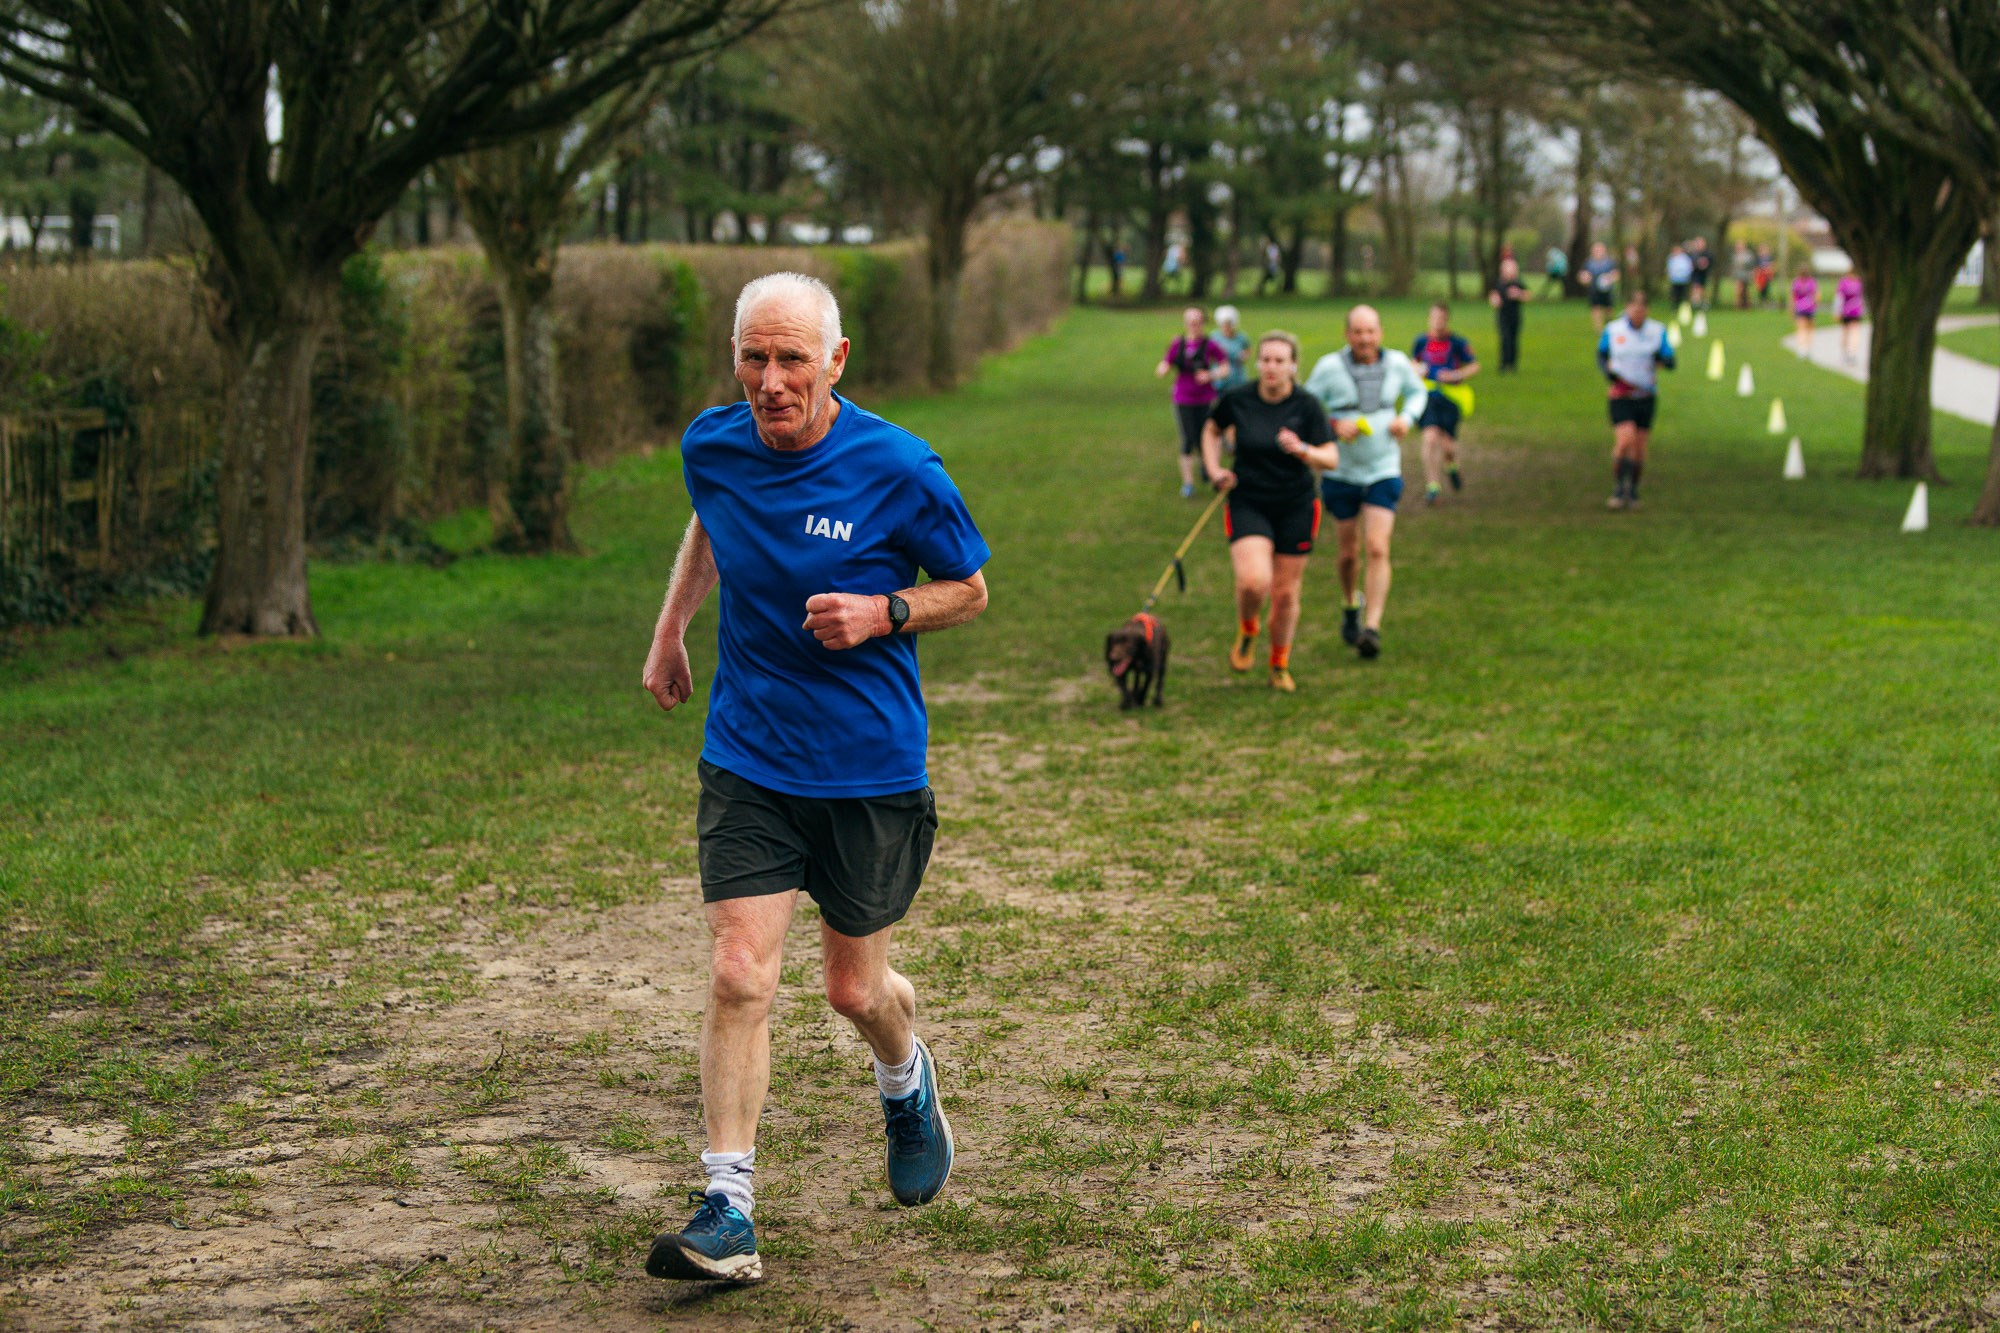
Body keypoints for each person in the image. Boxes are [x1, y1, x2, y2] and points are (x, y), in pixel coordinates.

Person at [640, 272, 991, 1284]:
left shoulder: (897, 465)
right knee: (738, 971)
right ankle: (727, 1207)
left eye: (792, 358)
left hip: (866, 765)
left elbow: (969, 588)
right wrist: (670, 629)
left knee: (853, 987)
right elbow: (712, 517)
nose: (769, 379)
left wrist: (884, 612)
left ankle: (904, 1077)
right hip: (749, 752)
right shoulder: (712, 442)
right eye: (753, 356)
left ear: (835, 362)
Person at [1202, 331, 1340, 691]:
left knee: (1285, 594)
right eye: (1265, 360)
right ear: (1257, 363)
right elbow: (1212, 429)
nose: (1271, 367)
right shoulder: (1239, 399)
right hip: (1248, 499)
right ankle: (1248, 627)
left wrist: (1304, 450)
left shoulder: (1307, 406)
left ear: (1293, 366)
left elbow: (1331, 458)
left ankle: (1279, 663)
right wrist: (1215, 469)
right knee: (1253, 582)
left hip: (1296, 504)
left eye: (1280, 361)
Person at [1305, 306, 1428, 660]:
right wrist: (1331, 426)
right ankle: (1349, 605)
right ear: (1347, 335)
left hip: (1383, 467)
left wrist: (1406, 418)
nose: (1364, 339)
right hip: (1341, 471)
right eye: (1357, 332)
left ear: (1381, 333)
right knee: (1348, 553)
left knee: (1377, 547)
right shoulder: (1329, 367)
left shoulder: (1398, 363)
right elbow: (1305, 407)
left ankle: (1372, 627)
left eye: (1370, 331)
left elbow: (1418, 393)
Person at [1598, 288, 1675, 510]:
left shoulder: (1656, 331)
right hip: (1621, 394)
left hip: (1646, 396)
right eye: (1634, 309)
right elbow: (1601, 355)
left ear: (1647, 311)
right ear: (1627, 308)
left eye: (1642, 310)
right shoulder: (1613, 330)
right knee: (1624, 441)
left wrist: (1662, 359)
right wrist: (1609, 373)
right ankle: (1618, 488)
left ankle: (1632, 491)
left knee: (1640, 448)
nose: (1638, 314)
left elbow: (1670, 359)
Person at [1410, 302, 1480, 505]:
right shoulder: (1421, 341)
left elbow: (1474, 365)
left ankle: (1452, 466)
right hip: (1428, 397)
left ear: (1446, 320)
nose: (1437, 323)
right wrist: (1417, 369)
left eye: (1441, 319)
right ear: (1429, 319)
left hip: (1450, 398)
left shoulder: (1457, 343)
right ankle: (1432, 486)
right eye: (1434, 318)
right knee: (1430, 438)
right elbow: (1412, 363)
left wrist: (1456, 375)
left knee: (1448, 446)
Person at [1156, 307, 1229, 498]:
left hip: (1205, 398)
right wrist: (1163, 369)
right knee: (1188, 439)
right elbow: (1165, 363)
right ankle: (1188, 483)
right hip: (1183, 398)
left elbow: (1225, 367)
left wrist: (1210, 375)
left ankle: (1211, 470)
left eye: (1197, 322)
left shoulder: (1210, 345)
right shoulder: (1177, 344)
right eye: (1190, 322)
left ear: (1203, 323)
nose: (1194, 326)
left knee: (1209, 435)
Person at [1488, 256, 1532, 373]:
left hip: (1515, 316)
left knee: (1513, 340)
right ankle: (1503, 363)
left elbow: (1528, 296)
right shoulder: (1499, 283)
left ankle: (1512, 364)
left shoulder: (1518, 283)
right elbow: (1493, 295)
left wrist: (1518, 294)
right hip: (1502, 316)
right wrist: (1495, 300)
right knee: (1504, 339)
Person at [1213, 305, 1251, 392]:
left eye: (1229, 324)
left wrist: (1244, 356)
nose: (1227, 327)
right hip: (1220, 379)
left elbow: (1248, 350)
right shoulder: (1214, 337)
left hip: (1237, 377)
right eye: (1224, 324)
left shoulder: (1241, 337)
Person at [1584, 241, 1621, 331]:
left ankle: (1609, 326)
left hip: (1607, 290)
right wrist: (1585, 279)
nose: (1598, 251)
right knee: (1596, 308)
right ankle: (1599, 329)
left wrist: (1610, 279)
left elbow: (1616, 274)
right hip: (1594, 290)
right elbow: (1583, 275)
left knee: (1608, 309)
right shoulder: (1589, 263)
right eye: (1595, 249)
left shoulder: (1609, 262)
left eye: (1600, 249)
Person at [1837, 270, 1865, 364]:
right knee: (1854, 332)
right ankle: (1852, 353)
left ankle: (1845, 352)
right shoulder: (1859, 282)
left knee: (1846, 332)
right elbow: (1862, 297)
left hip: (1846, 311)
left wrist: (1837, 311)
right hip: (1856, 310)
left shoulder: (1843, 282)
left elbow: (1839, 298)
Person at [1791, 266, 1819, 358]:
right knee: (1809, 330)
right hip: (1810, 308)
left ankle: (1801, 349)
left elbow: (1793, 297)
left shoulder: (1796, 282)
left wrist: (1792, 309)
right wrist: (1815, 304)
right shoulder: (1812, 282)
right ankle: (1808, 348)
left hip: (1799, 308)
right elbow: (1816, 295)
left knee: (1801, 329)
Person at [1665, 244, 1693, 312]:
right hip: (1674, 279)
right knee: (1675, 294)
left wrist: (1686, 275)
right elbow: (1669, 268)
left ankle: (1683, 307)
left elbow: (1689, 268)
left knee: (1683, 294)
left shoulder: (1685, 258)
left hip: (1683, 279)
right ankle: (1674, 307)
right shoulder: (1671, 258)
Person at [1688, 236, 1713, 308]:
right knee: (1695, 287)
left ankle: (1703, 303)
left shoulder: (1707, 254)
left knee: (1701, 289)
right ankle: (1695, 303)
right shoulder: (1693, 253)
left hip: (1703, 274)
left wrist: (1705, 265)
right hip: (1695, 273)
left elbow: (1711, 262)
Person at [1732, 240, 1755, 310]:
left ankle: (1747, 305)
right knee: (1739, 289)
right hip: (1738, 275)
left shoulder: (1748, 254)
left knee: (1746, 291)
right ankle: (1738, 305)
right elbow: (1734, 265)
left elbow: (1750, 264)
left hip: (1746, 274)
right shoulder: (1735, 255)